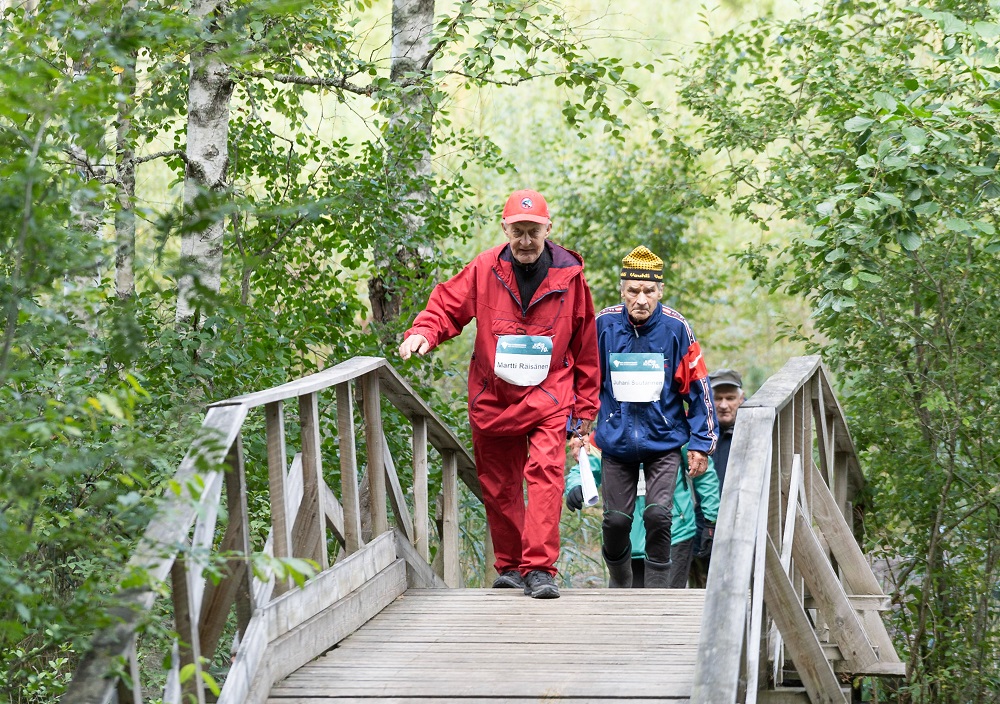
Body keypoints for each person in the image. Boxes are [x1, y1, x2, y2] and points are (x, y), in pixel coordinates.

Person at [398, 188, 600, 599]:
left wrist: (584, 410)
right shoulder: (483, 269)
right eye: (518, 231)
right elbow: (445, 306)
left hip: (549, 395)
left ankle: (540, 569)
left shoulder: (570, 276)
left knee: (545, 475)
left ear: (548, 228)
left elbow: (586, 347)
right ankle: (510, 565)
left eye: (533, 232)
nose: (525, 241)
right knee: (499, 482)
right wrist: (423, 332)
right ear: (504, 227)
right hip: (494, 397)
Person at [592, 245, 718, 589]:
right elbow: (585, 380)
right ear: (622, 289)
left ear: (660, 291)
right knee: (616, 522)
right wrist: (578, 427)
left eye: (649, 291)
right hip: (616, 441)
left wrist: (701, 443)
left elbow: (699, 386)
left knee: (658, 515)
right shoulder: (603, 324)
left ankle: (658, 592)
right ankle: (620, 583)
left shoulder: (676, 328)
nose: (641, 299)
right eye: (633, 291)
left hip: (663, 440)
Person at [565, 434, 720, 588]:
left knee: (665, 603)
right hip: (626, 538)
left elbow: (703, 472)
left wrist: (711, 519)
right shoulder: (608, 430)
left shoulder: (677, 426)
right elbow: (585, 468)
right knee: (626, 606)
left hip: (675, 532)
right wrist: (577, 485)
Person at [689, 368, 745, 588]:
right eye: (717, 398)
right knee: (699, 590)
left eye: (730, 398)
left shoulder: (755, 430)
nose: (723, 405)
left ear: (741, 399)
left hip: (741, 522)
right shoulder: (695, 432)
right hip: (700, 523)